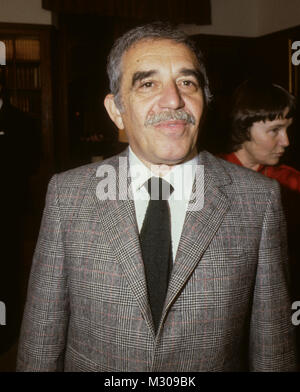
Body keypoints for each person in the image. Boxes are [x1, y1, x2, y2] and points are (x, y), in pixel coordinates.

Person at [17, 23, 297, 372]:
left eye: (187, 83)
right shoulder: (67, 195)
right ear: (116, 110)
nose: (173, 100)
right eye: (148, 84)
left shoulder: (259, 200)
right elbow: (41, 337)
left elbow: (273, 345)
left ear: (204, 101)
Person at [219, 79, 300, 362]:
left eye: (287, 129)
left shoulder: (291, 181)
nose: (286, 141)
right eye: (275, 130)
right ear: (244, 129)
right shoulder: (210, 180)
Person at [0, 69, 40, 355]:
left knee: (6, 271)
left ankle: (7, 333)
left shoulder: (22, 122)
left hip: (6, 209)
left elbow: (30, 163)